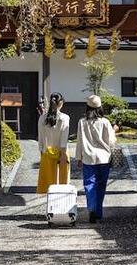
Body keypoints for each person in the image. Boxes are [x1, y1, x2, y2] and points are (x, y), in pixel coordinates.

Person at [74, 94, 116, 223]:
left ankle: (91, 208)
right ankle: (98, 212)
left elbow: (79, 141)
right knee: (101, 185)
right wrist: (114, 130)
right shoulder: (105, 122)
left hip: (88, 157)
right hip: (104, 158)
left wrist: (78, 157)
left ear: (87, 107)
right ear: (100, 107)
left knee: (89, 184)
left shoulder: (82, 122)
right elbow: (111, 142)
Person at [36, 92, 70, 194]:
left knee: (49, 184)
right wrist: (63, 155)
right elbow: (64, 139)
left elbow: (40, 138)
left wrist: (42, 152)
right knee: (61, 184)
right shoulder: (64, 118)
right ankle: (60, 206)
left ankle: (50, 207)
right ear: (61, 103)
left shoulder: (42, 118)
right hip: (61, 154)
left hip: (47, 153)